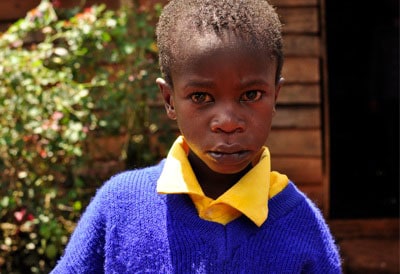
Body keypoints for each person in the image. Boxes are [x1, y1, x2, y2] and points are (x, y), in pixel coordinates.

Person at [51, 0, 342, 273]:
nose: (228, 123)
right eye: (201, 96)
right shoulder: (119, 206)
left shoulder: (302, 224)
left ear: (275, 97)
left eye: (251, 95)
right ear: (170, 101)